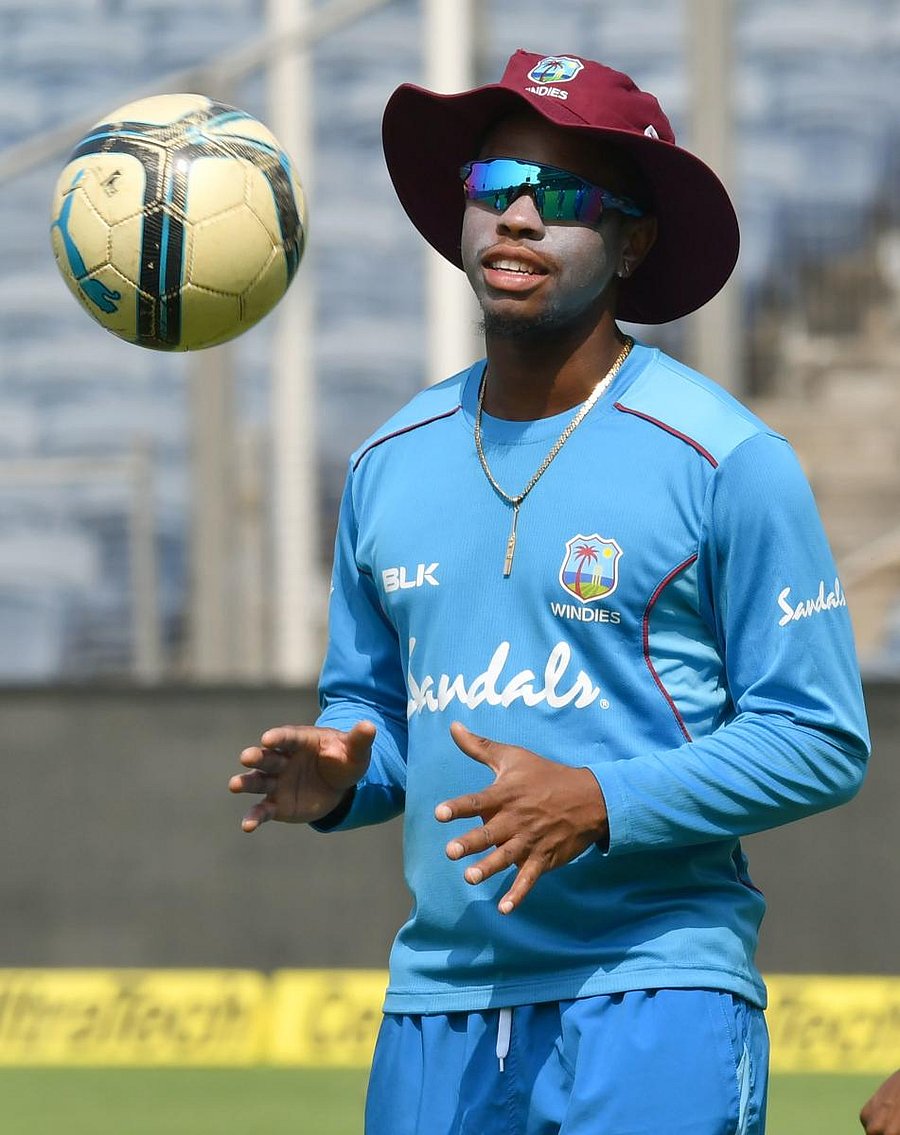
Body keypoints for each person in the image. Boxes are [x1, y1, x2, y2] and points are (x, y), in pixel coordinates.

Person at [229, 50, 870, 1134]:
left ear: (633, 240)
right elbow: (376, 710)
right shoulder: (389, 459)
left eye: (562, 196)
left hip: (655, 991)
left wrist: (600, 800)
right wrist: (343, 770)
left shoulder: (725, 458)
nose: (518, 216)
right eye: (494, 187)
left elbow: (819, 737)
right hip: (438, 1010)